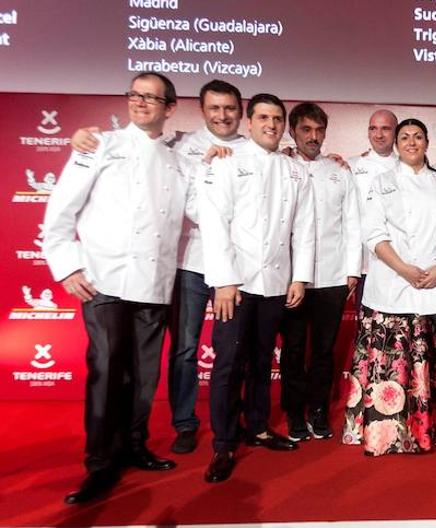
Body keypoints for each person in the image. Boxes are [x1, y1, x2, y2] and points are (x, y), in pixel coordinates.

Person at [69, 79, 249, 455]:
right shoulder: (179, 145)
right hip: (183, 266)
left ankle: (225, 423)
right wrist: (82, 138)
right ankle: (183, 423)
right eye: (214, 108)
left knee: (230, 351)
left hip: (234, 267)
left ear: (240, 111)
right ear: (200, 111)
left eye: (229, 108)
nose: (222, 115)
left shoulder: (254, 152)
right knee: (182, 349)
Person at [43, 72, 193, 504]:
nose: (141, 103)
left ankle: (133, 445)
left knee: (144, 377)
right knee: (108, 373)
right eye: (135, 95)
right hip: (105, 279)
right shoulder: (99, 145)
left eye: (152, 98)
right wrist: (67, 266)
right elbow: (59, 215)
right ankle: (100, 465)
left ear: (169, 108)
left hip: (154, 282)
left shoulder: (178, 158)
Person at [198, 93, 316, 483]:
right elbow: (215, 224)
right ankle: (224, 443)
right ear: (249, 123)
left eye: (277, 118)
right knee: (229, 364)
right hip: (237, 284)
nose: (271, 124)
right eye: (263, 117)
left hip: (276, 283)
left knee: (264, 359)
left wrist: (299, 277)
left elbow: (305, 229)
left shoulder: (295, 170)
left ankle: (260, 427)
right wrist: (224, 281)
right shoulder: (229, 163)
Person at [343, 118, 436, 455]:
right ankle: (388, 435)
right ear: (397, 144)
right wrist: (404, 269)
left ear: (428, 142)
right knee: (393, 362)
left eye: (418, 137)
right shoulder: (380, 181)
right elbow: (373, 234)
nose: (412, 143)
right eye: (405, 137)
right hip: (393, 283)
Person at [279, 102, 361, 442]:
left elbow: (353, 223)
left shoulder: (339, 171)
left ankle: (318, 411)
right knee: (294, 349)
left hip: (331, 276)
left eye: (319, 130)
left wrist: (352, 270)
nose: (313, 137)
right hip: (291, 279)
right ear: (293, 131)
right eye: (306, 130)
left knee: (324, 351)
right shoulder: (281, 166)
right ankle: (294, 412)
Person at [347, 110, 400, 311]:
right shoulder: (351, 166)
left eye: (385, 129)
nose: (379, 135)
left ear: (396, 132)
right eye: (373, 128)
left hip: (399, 264)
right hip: (364, 265)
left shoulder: (406, 166)